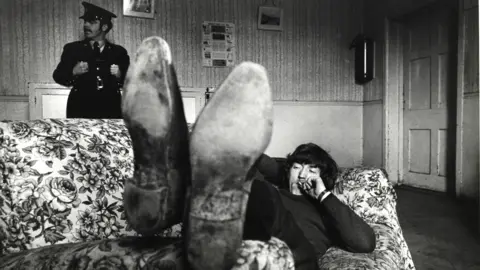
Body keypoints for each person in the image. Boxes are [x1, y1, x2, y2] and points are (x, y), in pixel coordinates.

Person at [121, 36, 375, 270]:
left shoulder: (324, 210)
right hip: (223, 237)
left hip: (294, 260)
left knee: (256, 191)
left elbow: (364, 242)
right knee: (233, 176)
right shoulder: (275, 184)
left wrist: (322, 194)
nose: (303, 174)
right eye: (298, 166)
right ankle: (165, 191)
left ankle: (162, 199)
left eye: (312, 169)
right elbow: (250, 157)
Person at [53, 2, 130, 119]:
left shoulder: (119, 52)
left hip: (110, 108)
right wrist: (73, 72)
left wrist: (120, 75)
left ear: (104, 27)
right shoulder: (73, 49)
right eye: (85, 21)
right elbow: (58, 76)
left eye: (92, 22)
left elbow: (132, 82)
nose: (86, 25)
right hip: (80, 108)